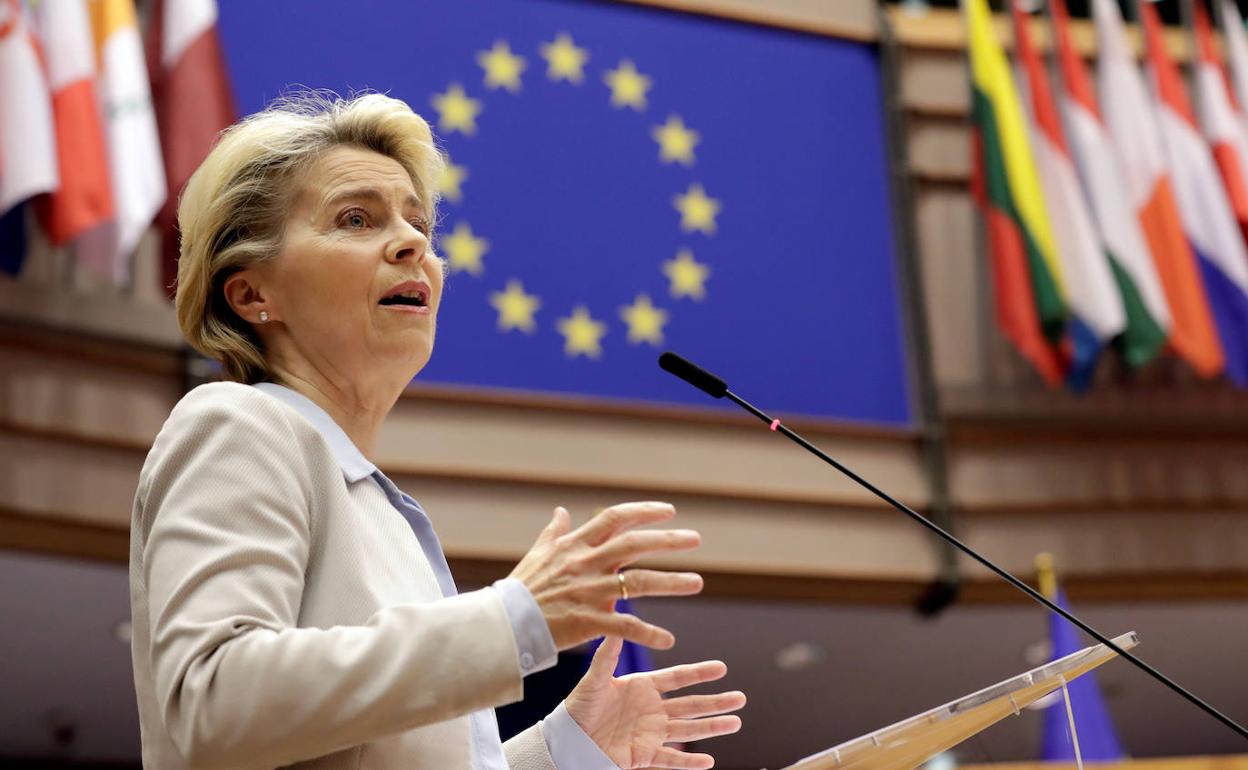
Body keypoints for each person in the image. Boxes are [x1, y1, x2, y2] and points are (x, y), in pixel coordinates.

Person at [128, 91, 746, 770]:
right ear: (251, 294)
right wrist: (513, 620)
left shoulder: (380, 511)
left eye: (418, 222)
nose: (413, 242)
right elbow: (211, 702)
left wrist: (564, 750)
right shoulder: (237, 425)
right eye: (356, 218)